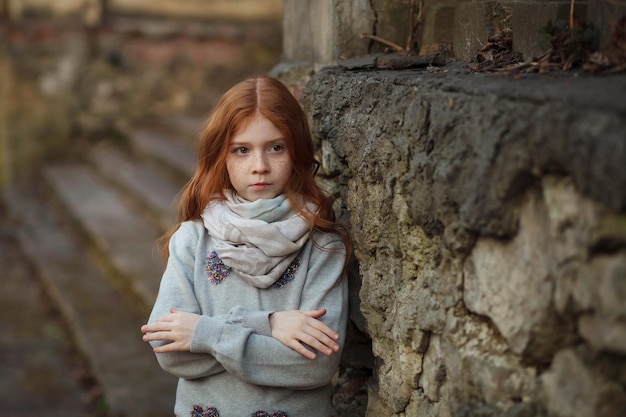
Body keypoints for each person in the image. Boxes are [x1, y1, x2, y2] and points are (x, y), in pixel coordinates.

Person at [140, 76, 352, 417]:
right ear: (221, 155)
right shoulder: (192, 239)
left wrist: (203, 332)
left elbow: (313, 367)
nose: (260, 166)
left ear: (296, 150)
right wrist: (270, 326)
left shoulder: (322, 246)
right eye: (242, 150)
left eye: (276, 147)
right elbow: (169, 350)